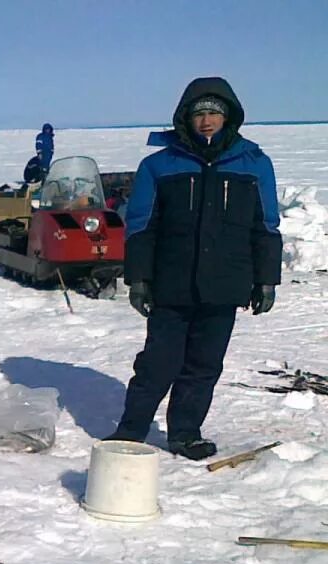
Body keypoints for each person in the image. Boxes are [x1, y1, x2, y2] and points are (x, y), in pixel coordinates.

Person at [107, 77, 281, 460]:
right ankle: (131, 430)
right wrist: (138, 278)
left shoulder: (254, 163)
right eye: (199, 113)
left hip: (226, 283)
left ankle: (185, 433)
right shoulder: (158, 165)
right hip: (172, 282)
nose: (206, 121)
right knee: (158, 363)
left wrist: (267, 280)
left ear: (228, 117)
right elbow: (141, 225)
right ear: (185, 117)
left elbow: (266, 225)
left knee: (203, 365)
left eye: (214, 113)